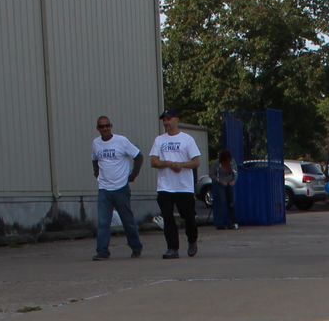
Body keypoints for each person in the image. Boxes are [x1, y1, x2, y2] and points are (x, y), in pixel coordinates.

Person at [149, 109, 202, 259]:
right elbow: (153, 161)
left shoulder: (187, 139)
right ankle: (172, 248)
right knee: (168, 218)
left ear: (176, 120)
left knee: (188, 216)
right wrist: (166, 163)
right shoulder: (159, 140)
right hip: (165, 186)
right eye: (164, 120)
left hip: (183, 187)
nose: (166, 122)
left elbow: (196, 161)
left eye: (169, 119)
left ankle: (192, 240)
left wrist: (181, 165)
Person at [91, 114, 143, 260]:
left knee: (127, 221)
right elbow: (94, 159)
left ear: (111, 126)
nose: (105, 128)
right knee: (103, 222)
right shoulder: (96, 143)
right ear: (98, 129)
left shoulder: (121, 141)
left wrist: (133, 175)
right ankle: (102, 251)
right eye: (102, 126)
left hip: (121, 187)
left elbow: (139, 156)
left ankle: (136, 247)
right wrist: (96, 173)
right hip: (104, 189)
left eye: (107, 125)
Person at [209, 148, 238, 230]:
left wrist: (233, 181)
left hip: (229, 183)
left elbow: (235, 172)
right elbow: (211, 174)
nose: (227, 162)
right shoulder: (216, 163)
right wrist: (220, 181)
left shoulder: (232, 162)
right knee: (221, 202)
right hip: (219, 184)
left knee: (231, 202)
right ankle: (220, 223)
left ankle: (232, 222)